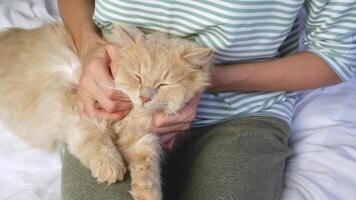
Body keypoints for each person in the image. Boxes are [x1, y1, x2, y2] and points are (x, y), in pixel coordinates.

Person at [58, 0, 356, 199]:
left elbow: (335, 57)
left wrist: (200, 81)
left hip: (240, 111)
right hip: (114, 97)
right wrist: (88, 46)